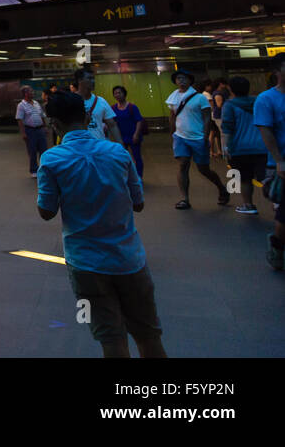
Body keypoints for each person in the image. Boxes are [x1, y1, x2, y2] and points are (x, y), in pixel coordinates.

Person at [37, 92, 165, 358]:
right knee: (148, 336)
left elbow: (46, 212)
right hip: (129, 259)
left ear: (53, 124)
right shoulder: (117, 153)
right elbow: (138, 204)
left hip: (86, 263)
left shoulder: (51, 160)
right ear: (87, 118)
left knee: (111, 340)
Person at [166, 70, 229, 210]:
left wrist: (205, 137)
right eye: (178, 78)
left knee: (203, 169)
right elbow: (172, 115)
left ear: (190, 80)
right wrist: (172, 134)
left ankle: (221, 188)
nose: (181, 80)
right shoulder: (173, 96)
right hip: (180, 137)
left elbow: (207, 118)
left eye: (184, 78)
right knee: (183, 165)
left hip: (198, 137)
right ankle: (185, 199)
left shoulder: (200, 98)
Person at [253, 56, 285, 270]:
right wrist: (279, 161)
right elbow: (266, 131)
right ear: (277, 71)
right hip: (282, 164)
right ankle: (277, 245)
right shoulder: (266, 99)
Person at [221, 76, 265, 215]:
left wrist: (225, 146)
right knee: (266, 178)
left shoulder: (229, 105)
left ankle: (248, 205)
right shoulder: (259, 101)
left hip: (239, 148)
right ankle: (277, 204)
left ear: (231, 89)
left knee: (245, 179)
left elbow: (227, 127)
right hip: (261, 146)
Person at [73, 68, 120, 143]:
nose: (93, 81)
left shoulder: (101, 101)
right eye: (89, 78)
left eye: (93, 78)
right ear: (79, 80)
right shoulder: (71, 101)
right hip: (79, 147)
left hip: (99, 147)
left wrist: (121, 145)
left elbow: (112, 125)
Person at [110, 86, 147, 178]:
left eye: (119, 92)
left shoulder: (132, 107)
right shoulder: (113, 108)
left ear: (124, 94)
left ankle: (139, 177)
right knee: (123, 158)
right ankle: (127, 177)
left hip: (133, 136)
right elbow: (111, 121)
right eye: (115, 93)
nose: (117, 95)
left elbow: (139, 120)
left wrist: (136, 134)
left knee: (137, 157)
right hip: (121, 137)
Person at [16, 86, 49, 174]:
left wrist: (45, 127)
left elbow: (42, 116)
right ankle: (34, 170)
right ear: (25, 94)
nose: (33, 93)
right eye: (31, 91)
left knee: (44, 150)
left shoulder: (36, 103)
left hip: (40, 129)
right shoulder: (21, 105)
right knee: (32, 151)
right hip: (30, 131)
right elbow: (19, 120)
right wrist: (23, 133)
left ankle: (44, 169)